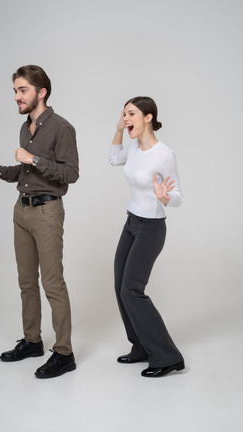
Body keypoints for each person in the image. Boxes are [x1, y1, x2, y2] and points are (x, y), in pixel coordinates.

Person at [0, 65, 79, 379]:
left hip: (47, 213)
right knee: (26, 283)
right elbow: (25, 174)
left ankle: (64, 353)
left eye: (22, 90)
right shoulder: (26, 128)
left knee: (52, 284)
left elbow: (71, 174)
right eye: (15, 91)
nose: (17, 97)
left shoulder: (62, 128)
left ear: (42, 92)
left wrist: (34, 159)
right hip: (21, 212)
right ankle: (32, 341)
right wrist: (1, 171)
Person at [109, 96, 185, 378]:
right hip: (131, 223)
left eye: (131, 114)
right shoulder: (132, 147)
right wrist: (119, 129)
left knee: (132, 289)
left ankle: (167, 356)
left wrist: (165, 197)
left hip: (152, 228)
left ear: (148, 117)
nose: (126, 118)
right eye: (124, 114)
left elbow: (177, 197)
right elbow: (114, 157)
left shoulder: (164, 154)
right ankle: (140, 346)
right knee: (120, 286)